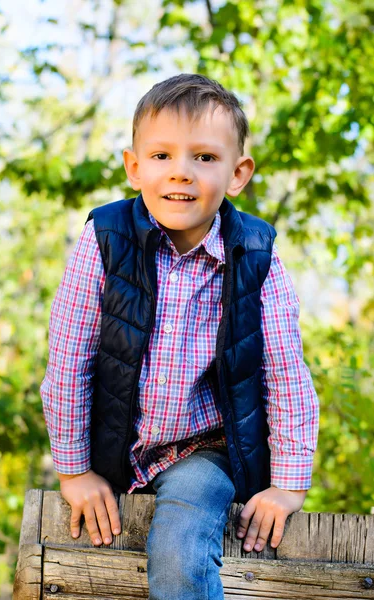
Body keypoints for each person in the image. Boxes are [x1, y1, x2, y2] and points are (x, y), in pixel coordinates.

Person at [41, 73, 319, 600]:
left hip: (204, 449)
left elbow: (286, 374)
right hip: (116, 442)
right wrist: (75, 471)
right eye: (163, 156)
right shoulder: (104, 239)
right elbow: (69, 360)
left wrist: (288, 483)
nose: (182, 173)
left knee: (179, 547)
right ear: (134, 167)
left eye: (204, 158)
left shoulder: (257, 254)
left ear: (238, 174)